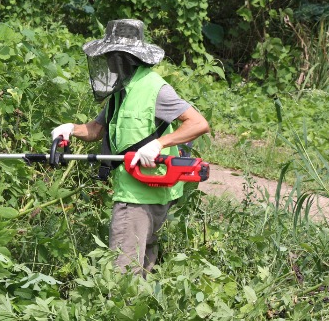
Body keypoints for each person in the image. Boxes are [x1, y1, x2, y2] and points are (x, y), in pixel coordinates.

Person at [51, 19, 210, 277]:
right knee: (142, 271)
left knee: (122, 275)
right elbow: (95, 129)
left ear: (124, 58)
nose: (108, 63)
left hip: (139, 198)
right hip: (140, 189)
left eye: (111, 56)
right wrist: (70, 128)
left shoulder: (154, 89)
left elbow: (199, 124)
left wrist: (159, 143)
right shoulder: (121, 92)